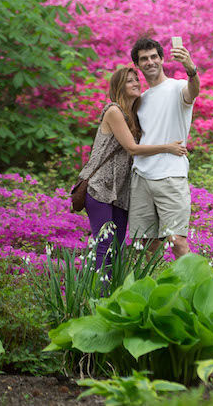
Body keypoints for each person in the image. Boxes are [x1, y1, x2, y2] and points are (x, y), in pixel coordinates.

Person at [78, 65, 186, 268]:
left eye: (136, 79)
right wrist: (168, 148)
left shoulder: (134, 114)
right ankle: (99, 297)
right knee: (105, 244)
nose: (136, 82)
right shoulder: (113, 111)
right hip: (100, 187)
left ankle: (113, 296)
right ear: (119, 86)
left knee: (117, 247)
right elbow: (132, 148)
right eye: (129, 80)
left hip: (120, 191)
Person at [128, 36, 200, 258]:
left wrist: (191, 69)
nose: (149, 62)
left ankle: (191, 289)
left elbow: (193, 91)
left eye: (153, 57)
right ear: (138, 65)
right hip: (141, 177)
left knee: (177, 240)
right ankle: (156, 289)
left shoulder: (177, 87)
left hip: (170, 175)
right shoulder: (140, 100)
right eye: (144, 59)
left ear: (161, 59)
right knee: (144, 245)